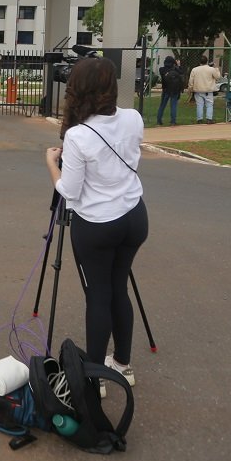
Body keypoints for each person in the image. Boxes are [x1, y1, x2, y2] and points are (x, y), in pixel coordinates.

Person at [44, 57, 147, 396]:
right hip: (134, 216)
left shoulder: (77, 135)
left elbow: (70, 193)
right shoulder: (133, 118)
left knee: (98, 296)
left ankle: (94, 377)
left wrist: (51, 164)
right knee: (118, 287)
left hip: (98, 225)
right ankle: (122, 364)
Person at [187, 55, 221, 124]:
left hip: (198, 90)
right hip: (208, 90)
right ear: (207, 61)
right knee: (209, 105)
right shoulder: (211, 69)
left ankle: (199, 119)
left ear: (199, 62)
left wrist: (190, 89)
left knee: (199, 105)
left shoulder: (194, 69)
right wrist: (216, 68)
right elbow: (218, 77)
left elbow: (191, 81)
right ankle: (209, 119)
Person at [155, 56, 184, 126]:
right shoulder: (176, 69)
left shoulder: (161, 69)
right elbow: (182, 72)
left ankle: (159, 121)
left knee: (162, 105)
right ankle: (173, 121)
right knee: (173, 105)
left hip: (165, 89)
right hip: (174, 90)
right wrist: (178, 65)